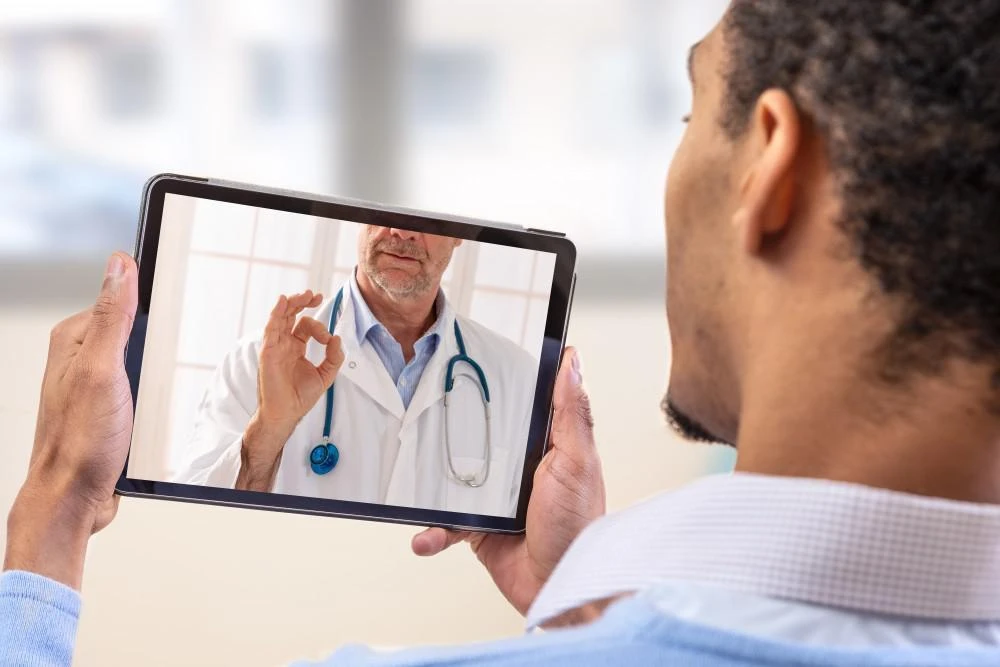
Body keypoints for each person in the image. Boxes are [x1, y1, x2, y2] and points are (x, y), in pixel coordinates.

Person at [4, 1, 1000, 664]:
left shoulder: (512, 372)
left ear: (768, 167)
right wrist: (580, 605)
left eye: (690, 112)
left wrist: (51, 506)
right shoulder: (252, 360)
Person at [174, 224, 537, 517]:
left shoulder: (517, 378)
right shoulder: (256, 361)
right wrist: (269, 430)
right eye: (388, 207)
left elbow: (522, 548)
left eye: (428, 218)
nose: (403, 231)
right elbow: (196, 527)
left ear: (461, 232)